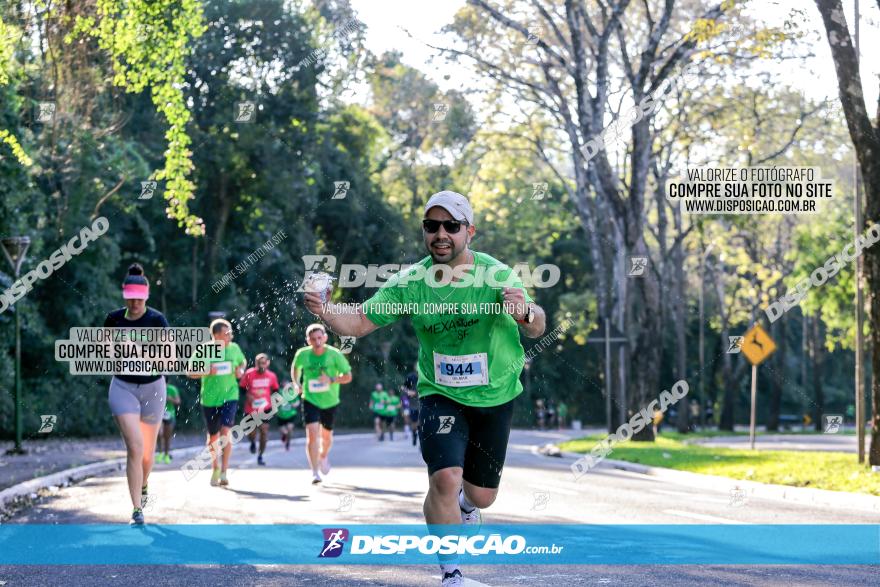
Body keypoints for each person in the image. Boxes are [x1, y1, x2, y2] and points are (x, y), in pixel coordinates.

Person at [304, 191, 546, 586]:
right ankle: (451, 574)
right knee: (445, 478)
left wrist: (526, 312)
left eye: (451, 226)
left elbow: (536, 325)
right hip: (440, 394)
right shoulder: (411, 282)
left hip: (496, 396)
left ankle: (469, 504)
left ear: (470, 231)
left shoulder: (496, 274)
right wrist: (325, 310)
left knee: (482, 496)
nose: (441, 234)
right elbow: (360, 322)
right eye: (431, 226)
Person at [104, 263, 169, 525]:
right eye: (130, 297)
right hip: (123, 387)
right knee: (134, 446)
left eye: (139, 298)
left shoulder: (157, 320)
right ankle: (136, 509)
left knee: (147, 454)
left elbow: (168, 359)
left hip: (154, 388)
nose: (134, 303)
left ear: (146, 296)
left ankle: (143, 484)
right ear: (124, 295)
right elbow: (105, 354)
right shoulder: (113, 320)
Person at [291, 323, 353, 484]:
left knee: (326, 437)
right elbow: (295, 368)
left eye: (320, 338)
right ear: (308, 340)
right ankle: (314, 472)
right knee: (312, 435)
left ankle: (323, 455)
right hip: (310, 398)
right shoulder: (302, 354)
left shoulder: (335, 355)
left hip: (330, 401)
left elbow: (348, 376)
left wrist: (331, 379)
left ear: (325, 337)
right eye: (313, 339)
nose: (317, 341)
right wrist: (296, 383)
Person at [187, 318, 246, 488]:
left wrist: (240, 369)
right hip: (210, 399)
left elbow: (242, 361)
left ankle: (225, 471)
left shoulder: (234, 348)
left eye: (230, 332)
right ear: (216, 335)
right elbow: (190, 372)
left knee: (226, 432)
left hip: (230, 396)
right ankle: (215, 467)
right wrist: (206, 370)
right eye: (226, 333)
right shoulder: (205, 350)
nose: (230, 336)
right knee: (213, 437)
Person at [239, 353, 280, 466]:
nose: (261, 365)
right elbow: (242, 389)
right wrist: (248, 395)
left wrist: (273, 402)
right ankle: (252, 442)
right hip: (250, 408)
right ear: (256, 363)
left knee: (264, 432)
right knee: (251, 432)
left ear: (267, 363)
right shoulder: (249, 373)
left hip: (265, 408)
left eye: (263, 363)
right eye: (259, 363)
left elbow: (276, 390)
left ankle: (260, 456)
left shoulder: (271, 376)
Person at [157, 380, 182, 464]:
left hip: (169, 415)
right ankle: (160, 452)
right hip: (158, 414)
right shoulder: (156, 388)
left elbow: (178, 401)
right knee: (159, 434)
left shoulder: (172, 389)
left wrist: (170, 399)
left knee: (167, 436)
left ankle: (166, 455)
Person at [277, 380, 301, 451]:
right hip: (281, 415)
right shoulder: (279, 392)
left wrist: (295, 404)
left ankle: (288, 443)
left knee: (289, 428)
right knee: (284, 431)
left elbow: (297, 402)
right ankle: (284, 435)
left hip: (291, 414)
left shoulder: (292, 392)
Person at [403, 371, 420, 447]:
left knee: (420, 423)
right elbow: (403, 387)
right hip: (413, 405)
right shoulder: (411, 378)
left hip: (422, 405)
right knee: (414, 423)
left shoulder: (425, 379)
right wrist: (407, 391)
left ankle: (421, 441)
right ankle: (414, 435)